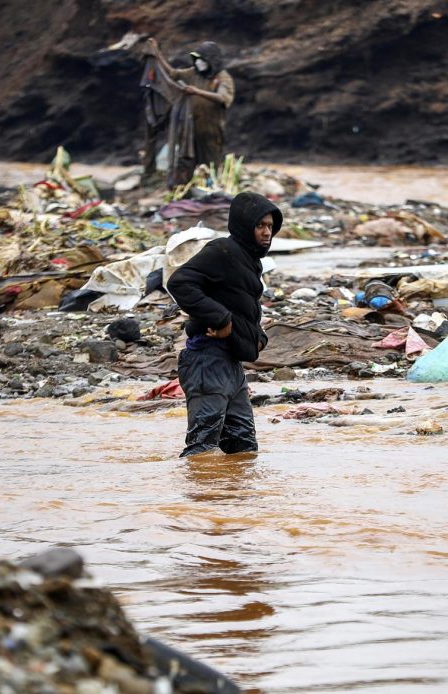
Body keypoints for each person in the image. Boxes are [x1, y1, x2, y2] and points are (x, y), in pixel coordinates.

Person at [166, 191, 281, 457]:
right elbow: (180, 282)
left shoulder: (250, 260)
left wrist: (257, 337)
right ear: (244, 225)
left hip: (232, 365)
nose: (267, 233)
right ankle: (199, 497)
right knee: (201, 450)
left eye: (270, 227)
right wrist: (219, 318)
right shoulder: (222, 250)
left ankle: (235, 499)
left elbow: (242, 306)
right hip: (207, 359)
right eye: (260, 225)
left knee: (243, 449)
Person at [142, 38, 235, 186]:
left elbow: (223, 98)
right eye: (196, 59)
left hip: (210, 131)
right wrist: (157, 53)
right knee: (187, 162)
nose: (198, 63)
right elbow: (173, 74)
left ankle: (210, 189)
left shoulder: (222, 78)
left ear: (211, 61)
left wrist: (197, 91)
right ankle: (186, 189)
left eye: (201, 60)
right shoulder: (193, 73)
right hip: (189, 129)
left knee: (210, 164)